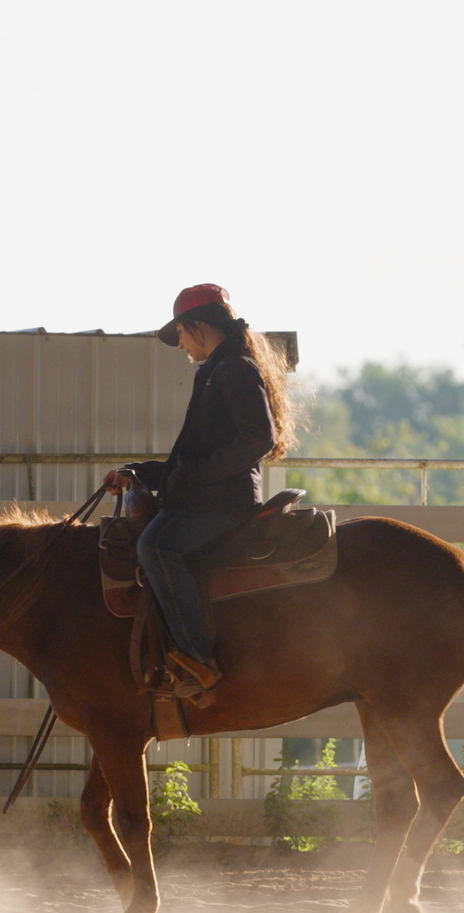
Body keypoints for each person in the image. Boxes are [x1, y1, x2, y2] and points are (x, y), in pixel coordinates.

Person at [103, 283, 298, 699]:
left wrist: (199, 477)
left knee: (156, 547)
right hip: (210, 497)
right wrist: (140, 472)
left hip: (223, 504)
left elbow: (257, 439)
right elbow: (193, 458)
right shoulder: (218, 370)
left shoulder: (234, 370)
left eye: (180, 334)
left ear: (199, 325)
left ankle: (197, 658)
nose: (179, 345)